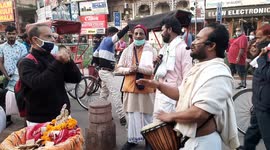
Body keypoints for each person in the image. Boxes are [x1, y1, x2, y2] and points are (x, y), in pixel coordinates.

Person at [137, 23, 240, 150]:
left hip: (204, 143)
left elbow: (199, 113)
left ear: (212, 46)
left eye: (198, 39)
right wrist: (158, 85)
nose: (192, 42)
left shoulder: (218, 73)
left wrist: (171, 116)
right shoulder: (200, 67)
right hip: (191, 141)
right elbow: (182, 94)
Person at [18, 24, 81, 126]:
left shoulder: (53, 58)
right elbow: (39, 84)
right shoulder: (26, 63)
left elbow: (76, 78)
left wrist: (69, 61)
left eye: (53, 36)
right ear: (35, 39)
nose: (52, 40)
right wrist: (58, 63)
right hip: (40, 121)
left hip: (62, 117)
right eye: (48, 36)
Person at [116, 24, 156, 150]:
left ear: (145, 35)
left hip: (146, 87)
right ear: (132, 36)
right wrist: (129, 70)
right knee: (132, 115)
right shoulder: (127, 50)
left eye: (141, 33)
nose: (138, 36)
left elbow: (151, 70)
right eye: (136, 33)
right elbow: (119, 68)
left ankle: (149, 142)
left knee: (148, 115)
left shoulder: (151, 50)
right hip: (130, 87)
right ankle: (132, 139)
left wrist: (138, 68)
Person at [153, 17, 192, 122]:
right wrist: (157, 63)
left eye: (163, 30)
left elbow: (187, 77)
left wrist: (181, 100)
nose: (161, 33)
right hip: (160, 95)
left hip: (172, 99)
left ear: (169, 30)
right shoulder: (165, 48)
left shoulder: (184, 49)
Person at [92, 25, 129, 126]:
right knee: (115, 92)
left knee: (104, 94)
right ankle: (122, 116)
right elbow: (119, 35)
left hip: (105, 71)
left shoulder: (104, 42)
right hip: (106, 72)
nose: (118, 39)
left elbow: (95, 54)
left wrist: (97, 65)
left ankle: (102, 113)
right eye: (116, 35)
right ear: (111, 34)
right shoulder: (108, 40)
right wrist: (128, 26)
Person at [244, 24, 270, 150]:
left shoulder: (267, 53)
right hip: (259, 102)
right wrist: (257, 55)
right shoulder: (265, 51)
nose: (256, 40)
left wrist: (261, 59)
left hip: (265, 105)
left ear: (268, 37)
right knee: (252, 135)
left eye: (259, 38)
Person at [0, 25, 28, 127]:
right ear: (5, 34)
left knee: (23, 98)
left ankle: (25, 119)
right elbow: (1, 63)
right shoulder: (2, 47)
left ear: (16, 34)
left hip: (20, 77)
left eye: (13, 33)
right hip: (7, 77)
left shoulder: (22, 46)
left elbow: (24, 62)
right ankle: (7, 119)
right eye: (9, 33)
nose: (11, 36)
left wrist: (20, 76)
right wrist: (6, 76)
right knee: (5, 98)